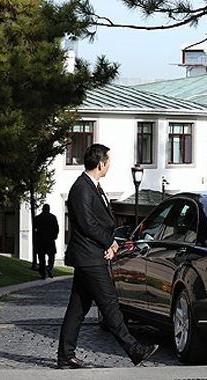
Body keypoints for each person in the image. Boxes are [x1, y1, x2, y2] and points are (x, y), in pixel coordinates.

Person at [57, 143, 158, 369]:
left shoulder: (94, 186)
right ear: (101, 163)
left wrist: (110, 244)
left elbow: (100, 222)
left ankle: (65, 356)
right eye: (109, 161)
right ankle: (134, 349)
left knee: (77, 309)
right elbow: (87, 224)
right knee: (110, 303)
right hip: (89, 257)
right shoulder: (81, 188)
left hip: (93, 255)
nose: (109, 165)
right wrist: (109, 242)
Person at [34, 204, 59, 279]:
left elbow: (35, 228)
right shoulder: (53, 218)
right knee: (51, 255)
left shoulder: (38, 218)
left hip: (40, 240)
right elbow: (56, 228)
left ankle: (43, 273)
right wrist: (54, 236)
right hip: (50, 239)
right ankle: (49, 267)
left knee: (41, 257)